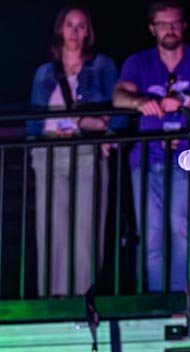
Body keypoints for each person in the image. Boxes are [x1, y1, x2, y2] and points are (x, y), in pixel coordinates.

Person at [112, 1, 190, 293]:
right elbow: (119, 95)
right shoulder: (139, 62)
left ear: (184, 26)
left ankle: (180, 301)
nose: (169, 29)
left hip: (185, 159)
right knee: (152, 234)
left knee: (180, 227)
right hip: (145, 160)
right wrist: (140, 103)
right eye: (163, 24)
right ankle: (159, 299)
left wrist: (184, 101)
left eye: (174, 23)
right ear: (151, 29)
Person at [28, 4, 118, 296]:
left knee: (86, 232)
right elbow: (34, 120)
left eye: (81, 26)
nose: (75, 32)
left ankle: (84, 300)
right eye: (70, 25)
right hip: (51, 153)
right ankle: (52, 300)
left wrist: (98, 129)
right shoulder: (45, 71)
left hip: (86, 152)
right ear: (60, 29)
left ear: (88, 32)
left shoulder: (101, 65)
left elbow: (112, 114)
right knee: (51, 230)